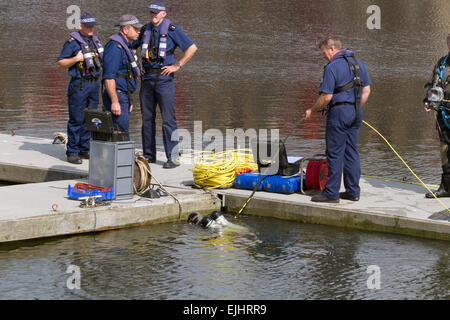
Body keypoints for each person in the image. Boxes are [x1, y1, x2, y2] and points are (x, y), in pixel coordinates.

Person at [304, 37, 371, 203]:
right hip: (356, 112)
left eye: (324, 53)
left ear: (332, 49)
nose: (324, 56)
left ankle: (331, 193)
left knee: (334, 153)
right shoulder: (358, 63)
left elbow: (326, 97)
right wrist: (355, 106)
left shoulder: (332, 66)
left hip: (339, 113)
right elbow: (367, 90)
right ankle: (353, 191)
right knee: (351, 152)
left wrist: (311, 110)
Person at [132, 1, 198, 169]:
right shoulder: (145, 29)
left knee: (168, 119)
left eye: (156, 13)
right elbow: (133, 48)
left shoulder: (172, 30)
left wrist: (178, 65)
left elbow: (192, 48)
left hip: (164, 78)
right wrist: (137, 66)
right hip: (147, 78)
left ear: (164, 14)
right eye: (151, 13)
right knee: (147, 118)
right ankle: (149, 155)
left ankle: (173, 157)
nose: (153, 15)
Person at [57, 12, 103, 164]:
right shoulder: (72, 42)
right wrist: (76, 59)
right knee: (76, 119)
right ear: (80, 26)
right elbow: (61, 62)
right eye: (87, 25)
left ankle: (85, 149)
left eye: (92, 25)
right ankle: (72, 152)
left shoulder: (95, 41)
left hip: (94, 84)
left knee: (90, 119)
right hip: (79, 84)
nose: (91, 28)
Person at [102, 15, 143, 133]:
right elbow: (109, 77)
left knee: (121, 131)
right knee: (120, 132)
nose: (138, 32)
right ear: (125, 30)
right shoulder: (115, 47)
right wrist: (115, 101)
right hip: (116, 96)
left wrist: (129, 100)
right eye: (135, 29)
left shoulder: (126, 46)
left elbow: (126, 75)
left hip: (123, 96)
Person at [423, 34, 450, 198]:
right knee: (445, 149)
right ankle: (446, 187)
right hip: (444, 114)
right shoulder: (442, 62)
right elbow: (432, 84)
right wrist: (428, 100)